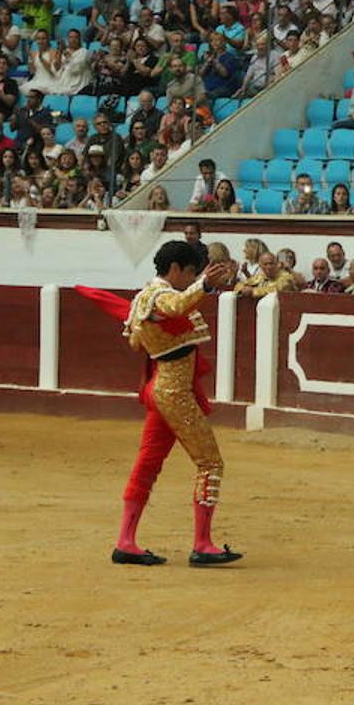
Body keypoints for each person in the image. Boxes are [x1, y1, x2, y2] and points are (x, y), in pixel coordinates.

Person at [101, 241, 242, 567]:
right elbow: (176, 305)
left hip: (160, 389)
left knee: (148, 462)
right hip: (175, 393)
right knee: (210, 463)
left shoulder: (142, 298)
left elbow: (137, 340)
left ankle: (126, 541)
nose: (191, 278)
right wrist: (204, 285)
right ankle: (203, 544)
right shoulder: (160, 296)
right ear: (176, 269)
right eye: (190, 272)